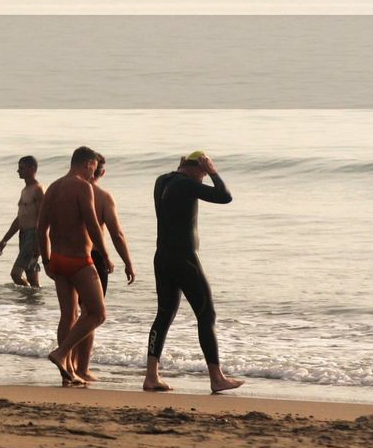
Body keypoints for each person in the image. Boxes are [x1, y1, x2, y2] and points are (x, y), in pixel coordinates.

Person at [144, 151, 244, 393]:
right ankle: (216, 377)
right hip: (184, 259)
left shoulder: (162, 180)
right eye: (202, 172)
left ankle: (151, 376)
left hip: (162, 257)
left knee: (164, 314)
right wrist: (213, 172)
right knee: (206, 315)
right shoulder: (188, 184)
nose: (203, 179)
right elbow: (224, 196)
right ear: (198, 168)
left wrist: (192, 170)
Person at [37, 146, 111, 386]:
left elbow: (41, 229)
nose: (95, 172)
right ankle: (61, 353)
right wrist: (105, 254)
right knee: (98, 313)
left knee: (68, 315)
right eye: (94, 166)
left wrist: (46, 260)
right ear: (88, 163)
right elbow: (92, 225)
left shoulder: (53, 187)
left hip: (58, 260)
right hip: (80, 261)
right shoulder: (83, 187)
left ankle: (67, 371)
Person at [71, 152, 136, 381]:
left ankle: (70, 366)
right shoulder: (103, 196)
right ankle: (82, 368)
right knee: (91, 314)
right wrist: (127, 262)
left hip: (68, 256)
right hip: (94, 260)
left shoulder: (69, 191)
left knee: (71, 313)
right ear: (102, 172)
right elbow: (116, 234)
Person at [0, 155, 43, 287]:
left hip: (33, 236)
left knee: (15, 274)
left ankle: (30, 301)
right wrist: (5, 240)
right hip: (23, 235)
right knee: (33, 281)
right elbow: (20, 219)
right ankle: (33, 306)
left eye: (21, 168)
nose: (18, 171)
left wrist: (39, 242)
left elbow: (43, 217)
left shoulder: (38, 189)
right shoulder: (25, 190)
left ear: (32, 169)